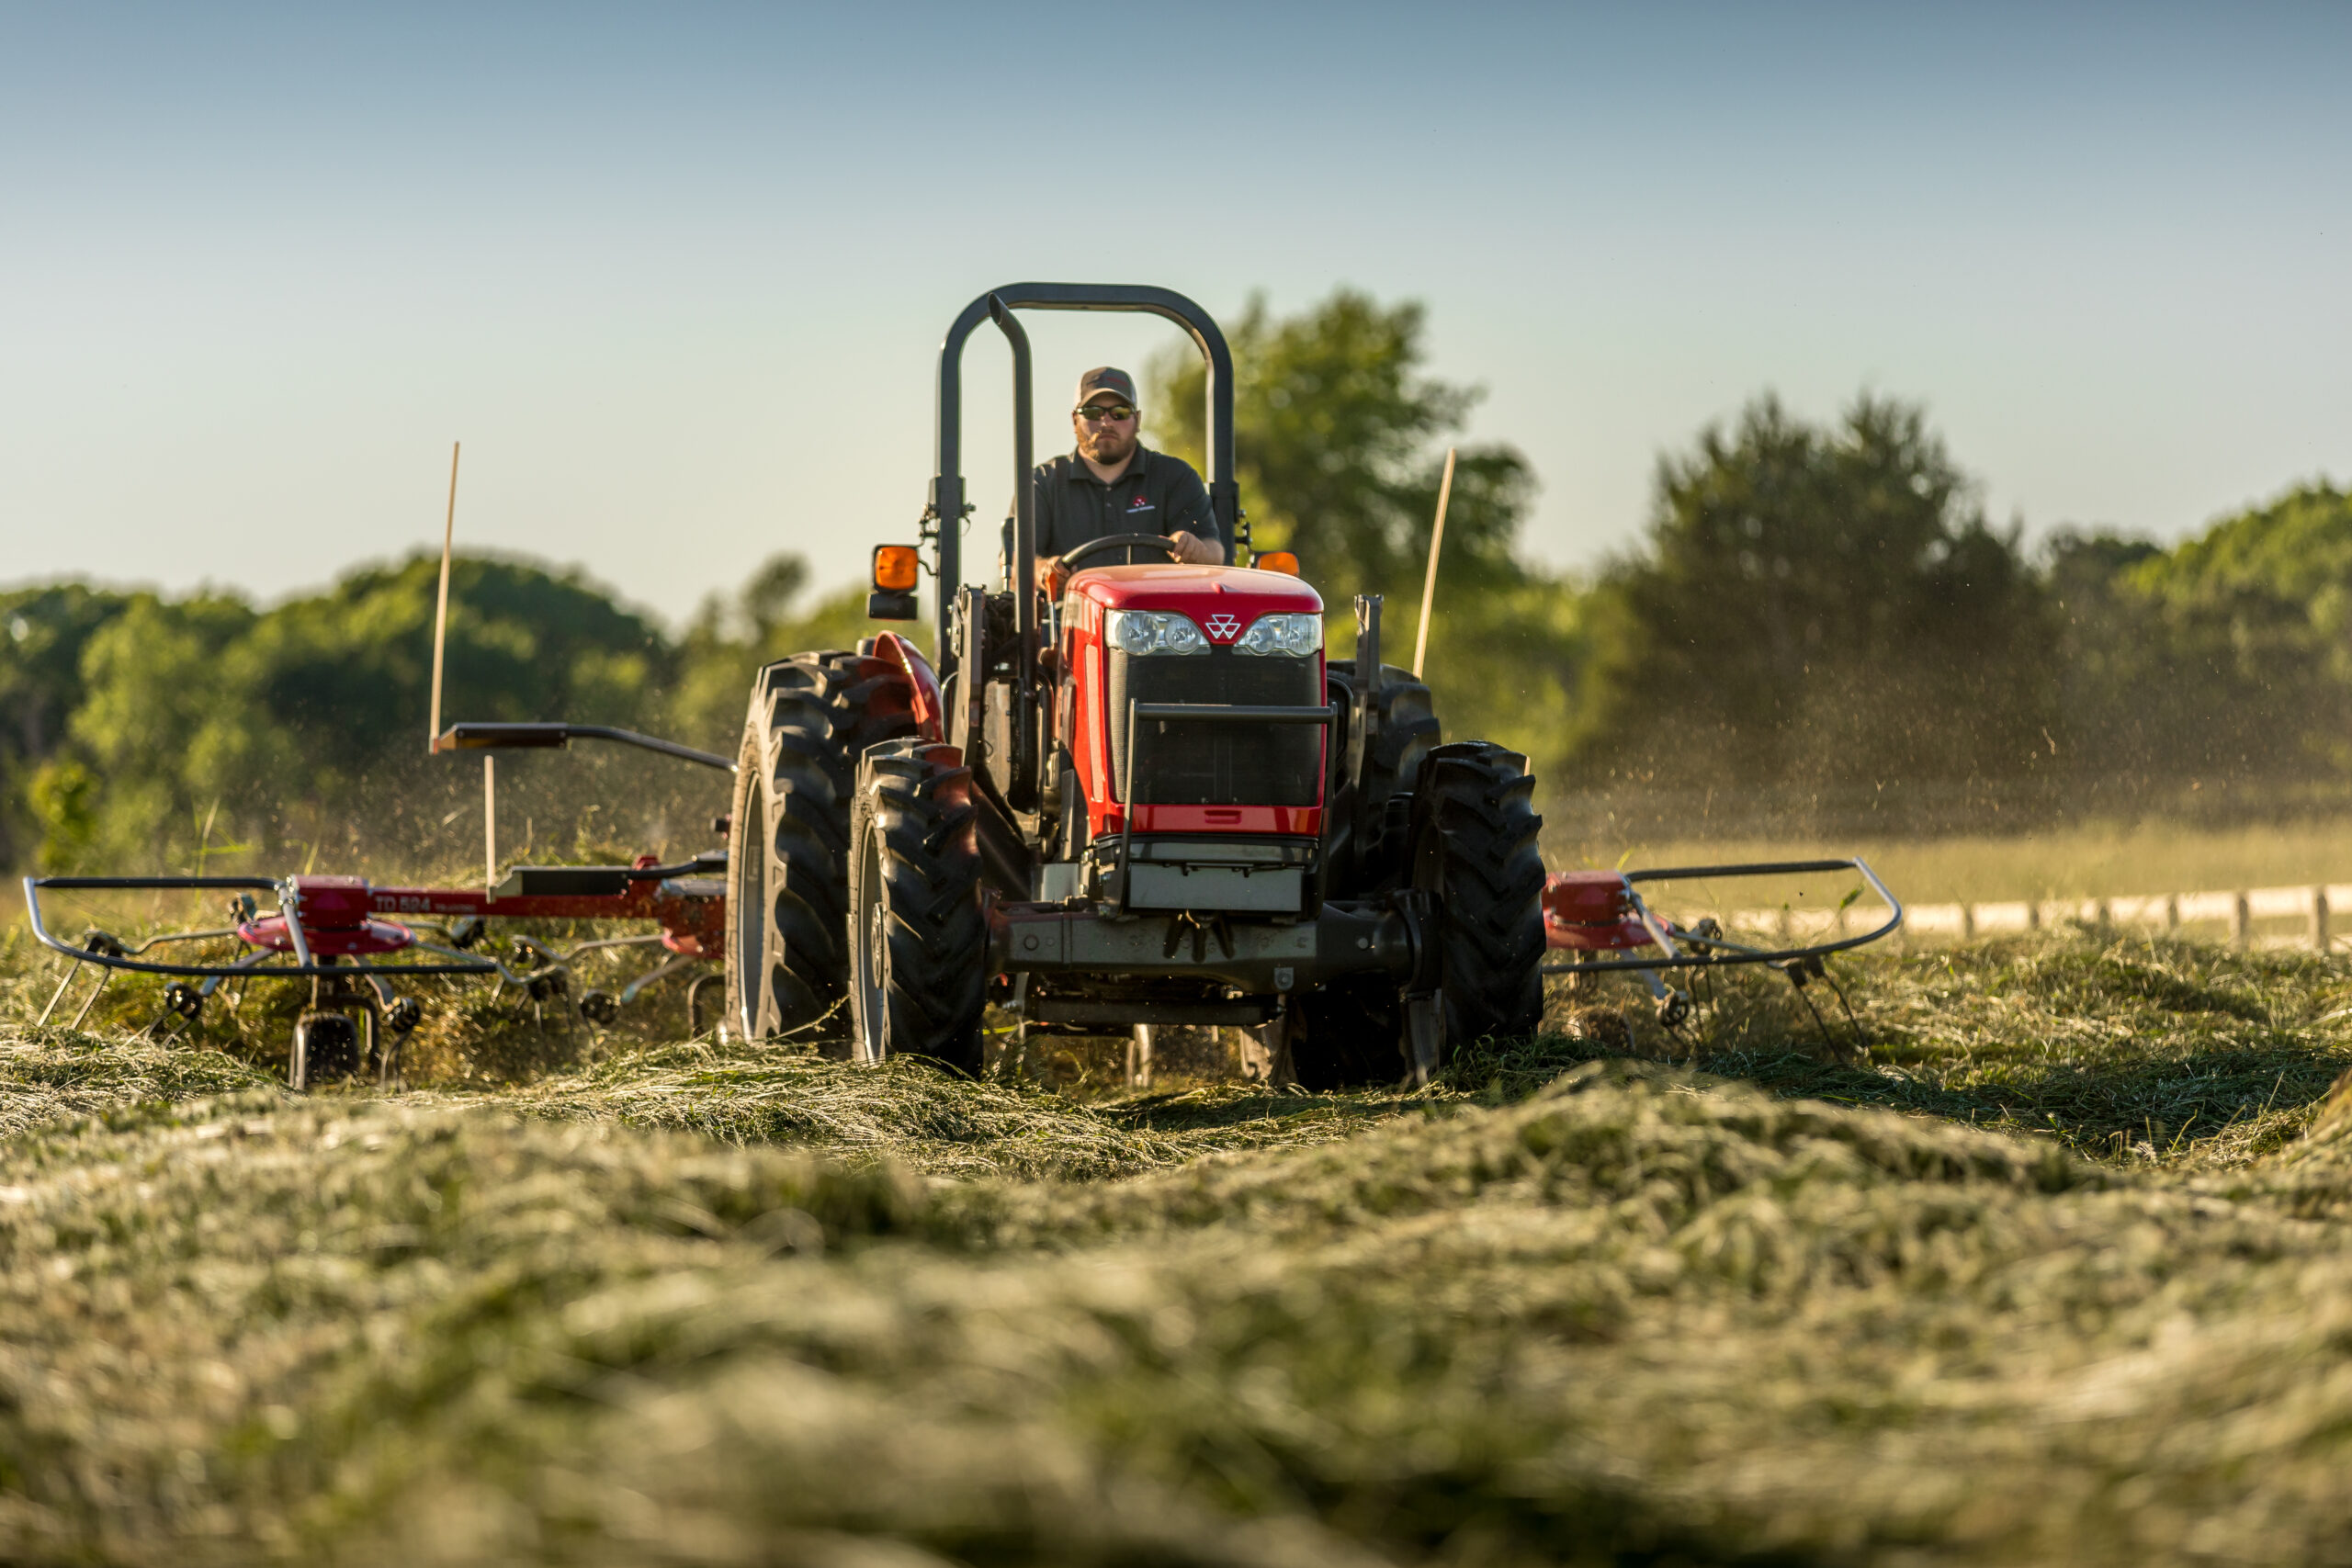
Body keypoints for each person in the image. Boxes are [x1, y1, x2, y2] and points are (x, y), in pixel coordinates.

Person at [1017, 367, 1225, 591]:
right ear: (1075, 419)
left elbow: (1216, 552)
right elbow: (1015, 568)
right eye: (1093, 412)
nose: (1106, 422)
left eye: (1120, 412)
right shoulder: (1043, 483)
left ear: (1137, 419)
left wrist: (1194, 549)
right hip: (1068, 621)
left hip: (1160, 620)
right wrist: (1044, 570)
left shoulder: (1175, 477)